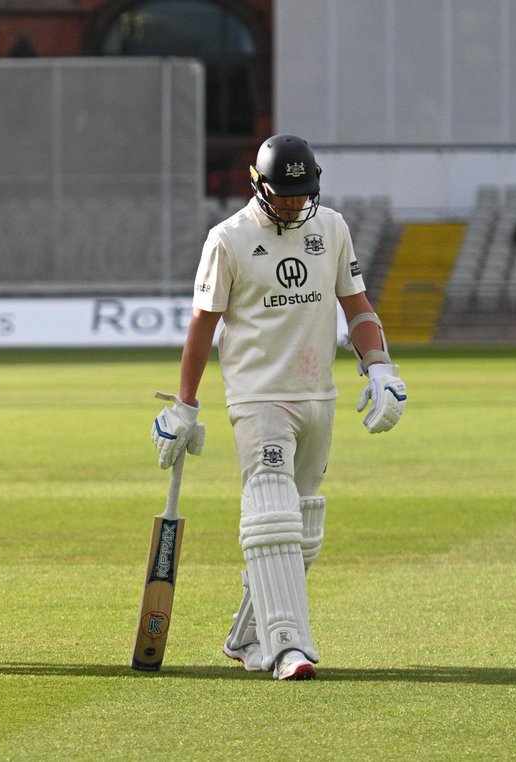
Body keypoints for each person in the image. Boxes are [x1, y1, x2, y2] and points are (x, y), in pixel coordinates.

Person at [151, 135, 407, 681]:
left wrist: (380, 365)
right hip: (258, 397)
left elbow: (356, 306)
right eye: (284, 194)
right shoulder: (228, 240)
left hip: (319, 396)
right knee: (271, 517)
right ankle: (288, 646)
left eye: (303, 193)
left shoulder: (332, 228)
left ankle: (248, 634)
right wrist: (185, 406)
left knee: (303, 532)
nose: (294, 203)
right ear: (257, 184)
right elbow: (203, 325)